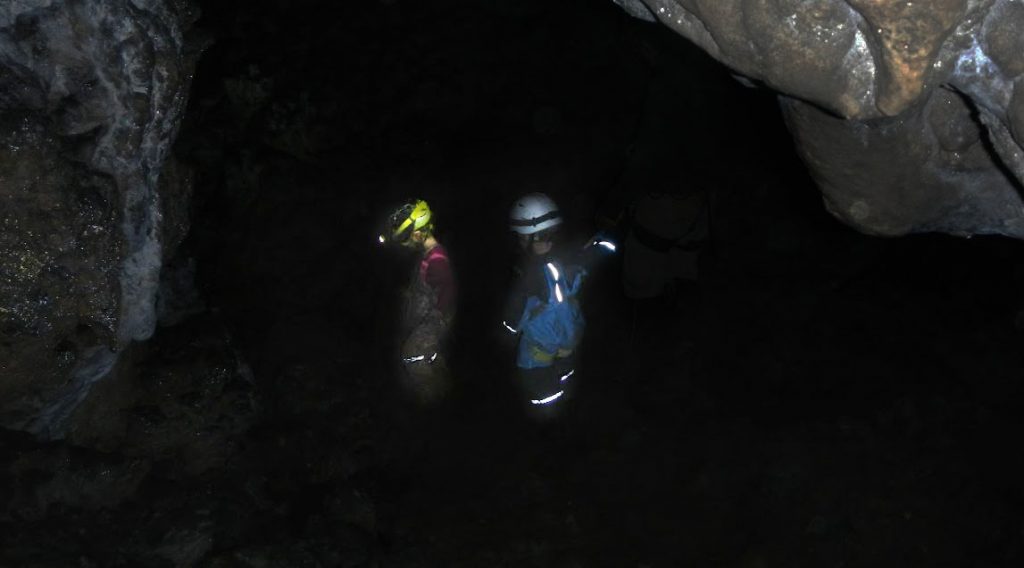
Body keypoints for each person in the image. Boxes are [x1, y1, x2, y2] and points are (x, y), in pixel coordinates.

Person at [502, 192, 599, 421]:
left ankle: (554, 416)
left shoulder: (544, 271)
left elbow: (512, 323)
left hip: (553, 351)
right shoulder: (551, 267)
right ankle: (557, 417)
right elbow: (511, 324)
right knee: (555, 388)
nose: (520, 242)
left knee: (553, 390)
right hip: (554, 351)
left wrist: (507, 330)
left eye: (521, 237)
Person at [379, 199, 456, 406]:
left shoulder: (437, 260)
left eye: (406, 240)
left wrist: (433, 320)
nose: (405, 245)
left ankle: (433, 399)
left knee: (412, 356)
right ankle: (442, 386)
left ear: (417, 234)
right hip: (425, 316)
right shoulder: (428, 255)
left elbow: (447, 293)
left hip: (434, 320)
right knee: (432, 357)